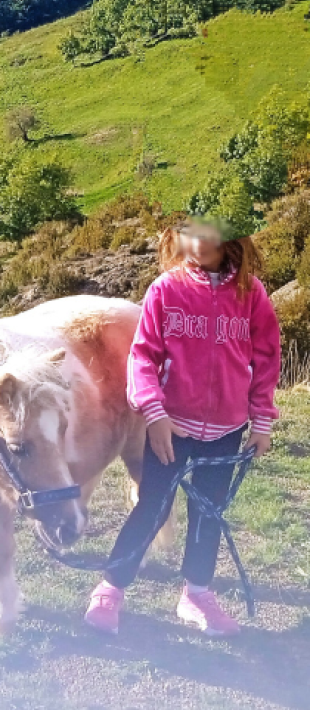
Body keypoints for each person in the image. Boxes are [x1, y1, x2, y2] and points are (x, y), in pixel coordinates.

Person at [84, 219, 281, 637]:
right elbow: (142, 357)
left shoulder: (251, 294)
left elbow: (266, 358)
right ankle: (111, 588)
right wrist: (154, 415)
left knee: (209, 511)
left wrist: (261, 421)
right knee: (153, 506)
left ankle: (196, 594)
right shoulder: (165, 290)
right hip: (170, 426)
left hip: (227, 427)